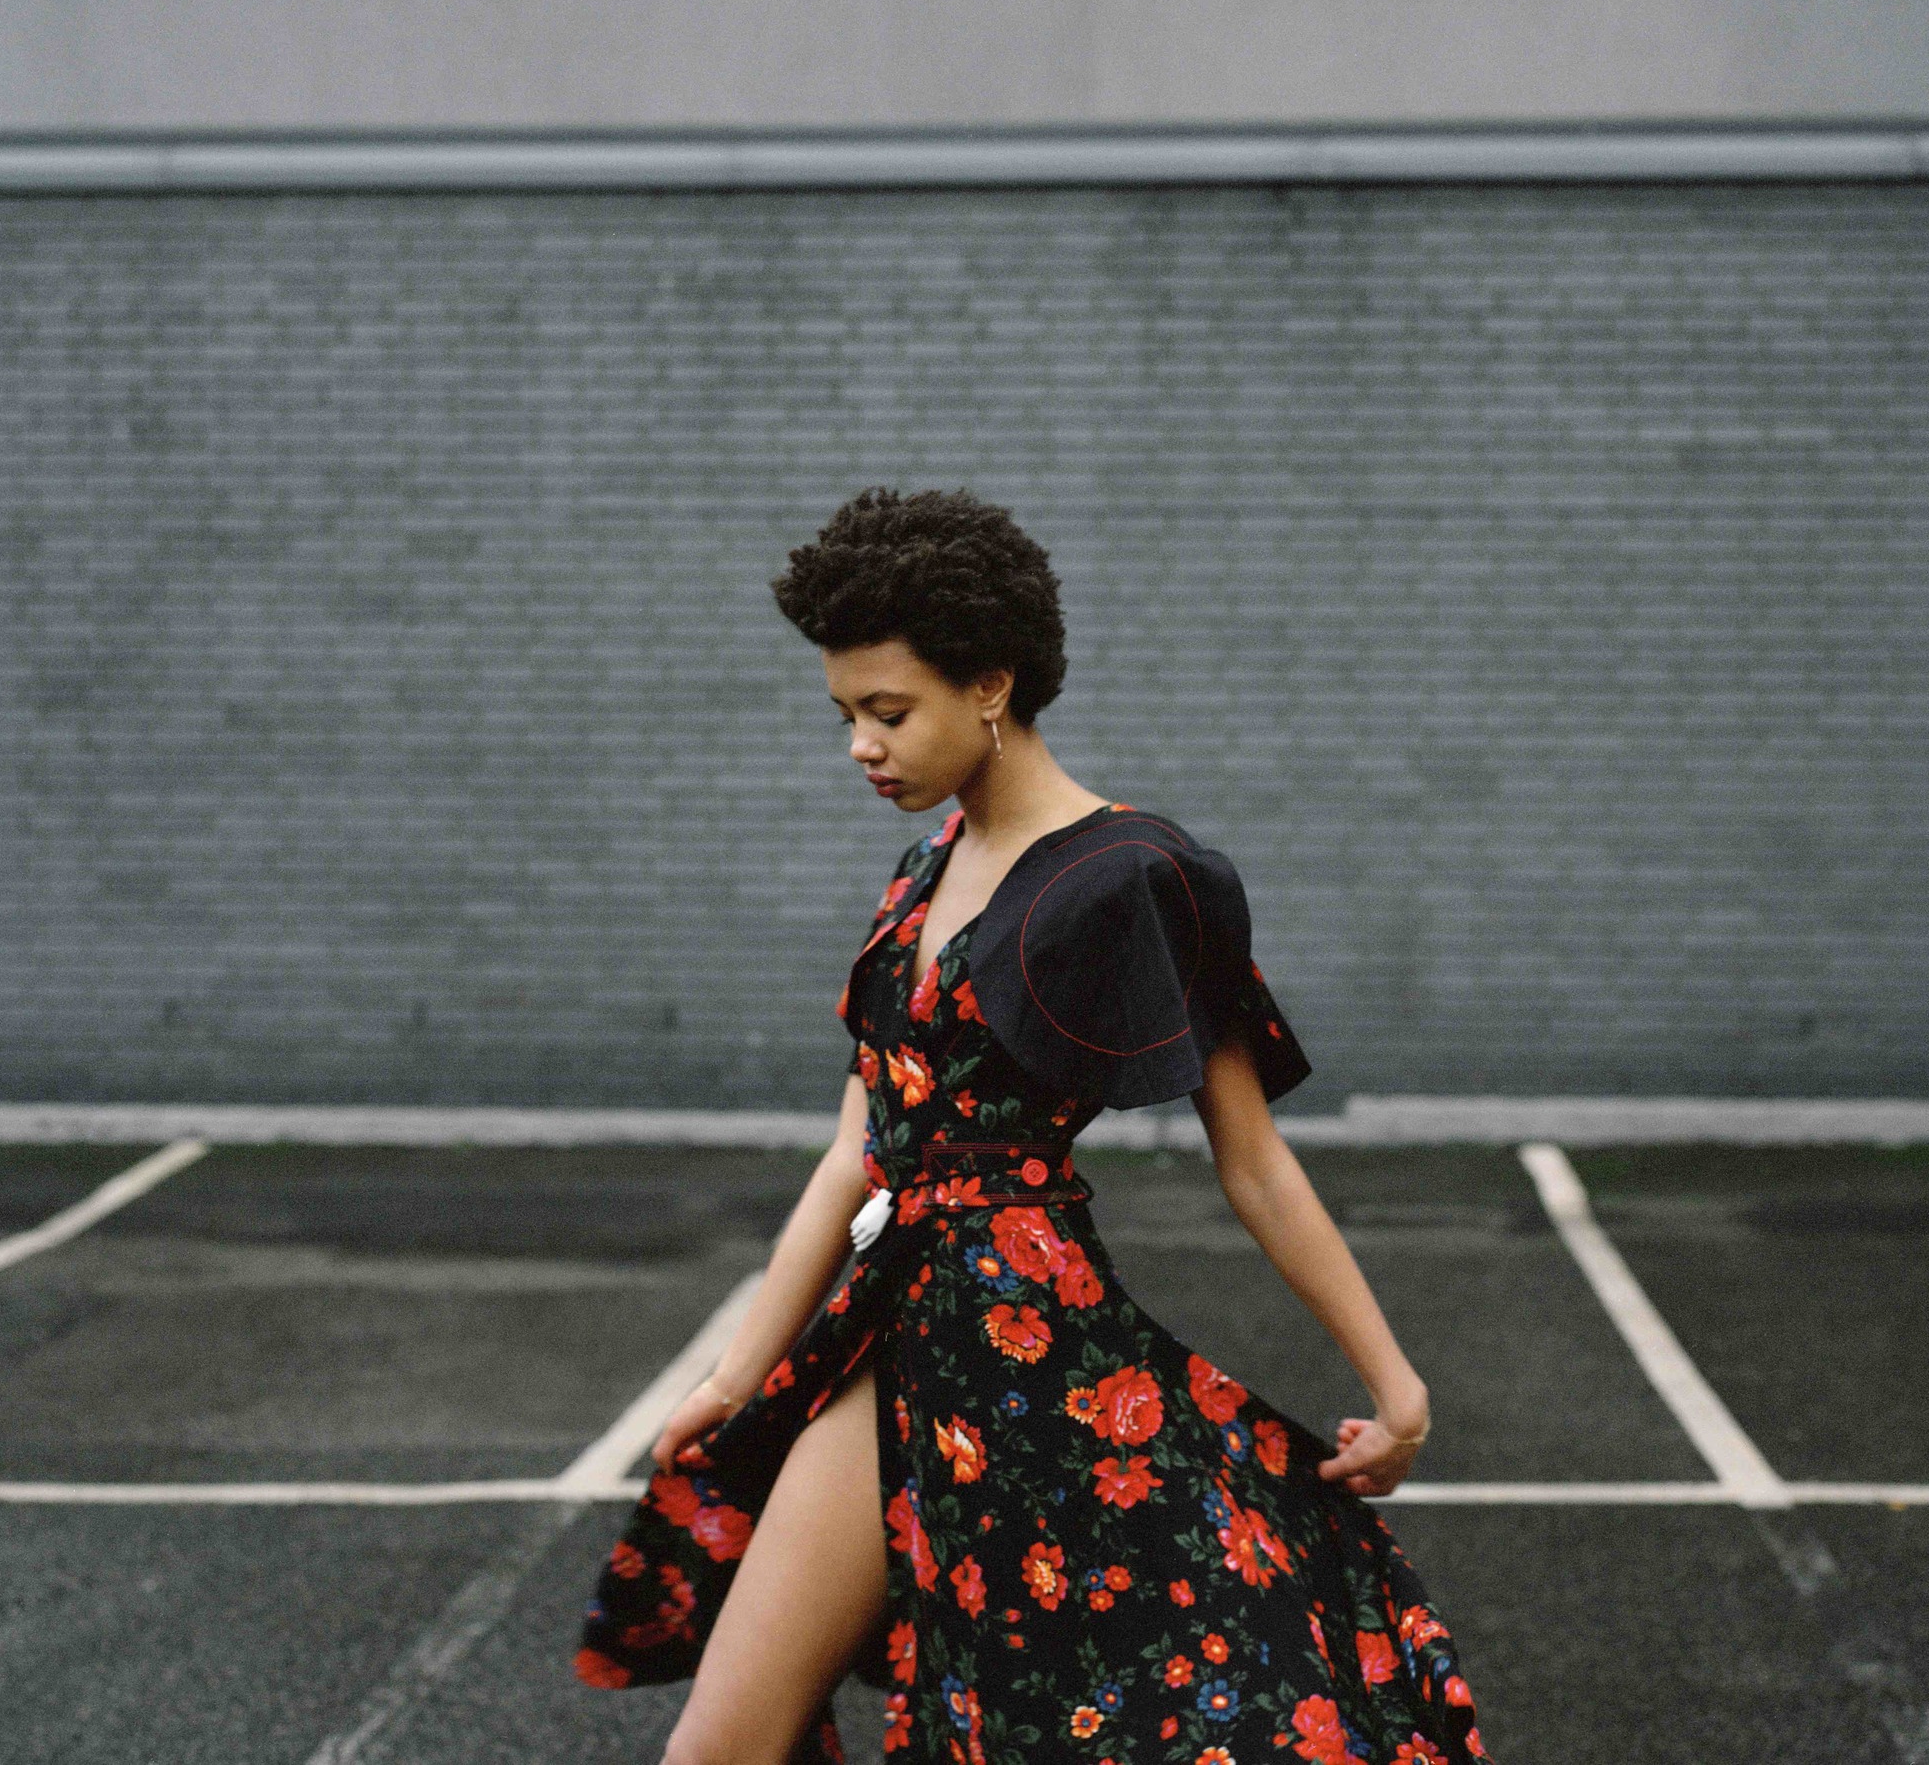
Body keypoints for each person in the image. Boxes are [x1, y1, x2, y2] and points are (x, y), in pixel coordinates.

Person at [577, 486, 1489, 1765]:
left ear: (991, 682)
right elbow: (855, 1153)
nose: (859, 745)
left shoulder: (1135, 874)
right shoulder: (915, 879)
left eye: (888, 711)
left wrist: (1394, 1387)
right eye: (844, 714)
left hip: (1047, 1366)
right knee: (721, 1744)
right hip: (894, 1336)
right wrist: (736, 1376)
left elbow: (1254, 1159)